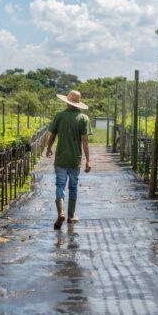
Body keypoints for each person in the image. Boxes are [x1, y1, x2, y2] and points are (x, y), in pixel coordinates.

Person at [45, 90, 92, 229]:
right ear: (78, 104)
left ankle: (61, 212)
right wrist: (88, 160)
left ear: (67, 101)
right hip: (74, 159)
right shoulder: (83, 118)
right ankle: (70, 217)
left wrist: (48, 149)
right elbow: (85, 141)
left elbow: (52, 136)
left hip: (60, 158)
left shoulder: (59, 116)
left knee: (60, 185)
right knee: (73, 187)